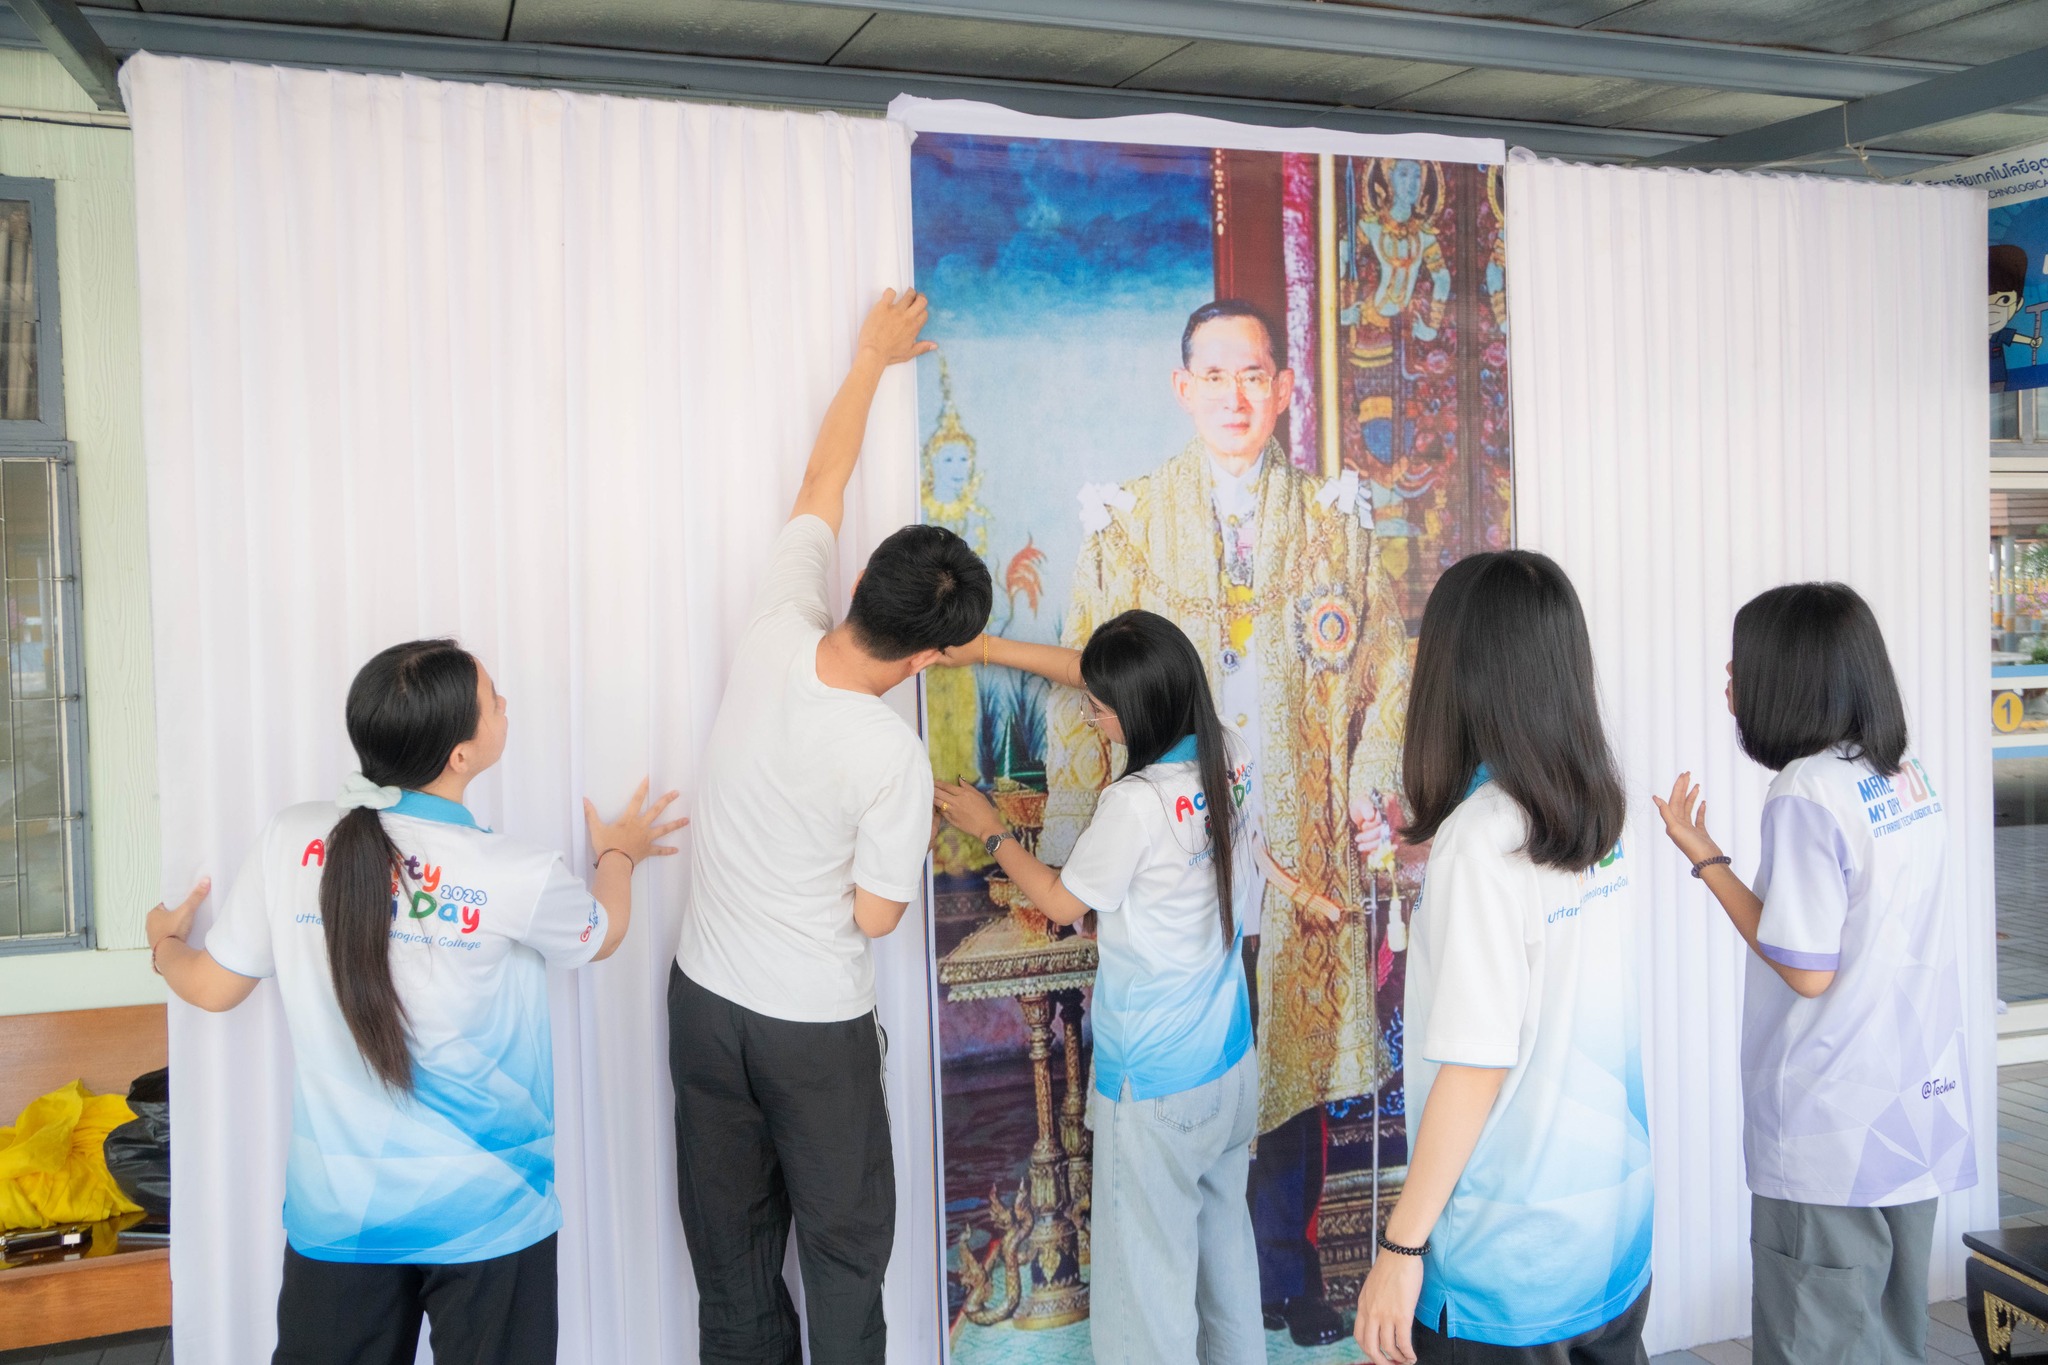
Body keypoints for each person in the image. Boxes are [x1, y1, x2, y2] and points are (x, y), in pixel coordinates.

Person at [144, 638, 684, 1365]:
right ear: (461, 754)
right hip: (490, 1213)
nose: (504, 705)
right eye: (494, 699)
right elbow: (605, 932)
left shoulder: (292, 837)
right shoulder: (513, 871)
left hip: (340, 1218)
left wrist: (162, 944)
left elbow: (210, 986)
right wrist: (618, 855)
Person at [1048, 297, 1410, 1345]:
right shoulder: (1128, 521)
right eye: (1214, 377)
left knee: (1286, 1060)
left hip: (1293, 836)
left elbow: (1384, 671)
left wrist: (1365, 796)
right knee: (1192, 1061)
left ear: (1284, 388)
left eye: (1253, 376)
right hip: (1172, 844)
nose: (1235, 397)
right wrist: (1075, 856)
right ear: (1181, 388)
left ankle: (1282, 1277)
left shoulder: (1334, 520)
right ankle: (1184, 1302)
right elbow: (1085, 685)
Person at [670, 286, 990, 1365]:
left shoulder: (773, 626)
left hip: (703, 1005)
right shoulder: (890, 756)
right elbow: (873, 914)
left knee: (734, 1271)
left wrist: (869, 359)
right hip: (810, 1032)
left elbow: (822, 482)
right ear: (931, 657)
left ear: (858, 580)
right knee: (847, 1263)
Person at [1653, 583, 1974, 1365]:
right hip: (1914, 1110)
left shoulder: (1804, 790)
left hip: (1834, 1130)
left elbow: (1804, 966)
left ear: (1791, 673)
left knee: (1815, 1344)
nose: (1731, 675)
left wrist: (1705, 857)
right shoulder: (1903, 773)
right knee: (1893, 1339)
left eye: (1744, 658)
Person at [935, 610, 1262, 1365]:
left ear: (1140, 705)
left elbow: (1058, 902)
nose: (1091, 710)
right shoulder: (1230, 755)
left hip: (1155, 1089)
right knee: (1227, 1273)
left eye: (1103, 702)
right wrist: (983, 647)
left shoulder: (1135, 803)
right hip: (1228, 1065)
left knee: (1147, 1305)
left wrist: (992, 830)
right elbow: (1183, 888)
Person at [1354, 551, 1652, 1365]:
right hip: (1609, 1230)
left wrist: (1401, 1249)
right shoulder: (1593, 813)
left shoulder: (1481, 841)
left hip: (1508, 1259)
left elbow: (1478, 1064)